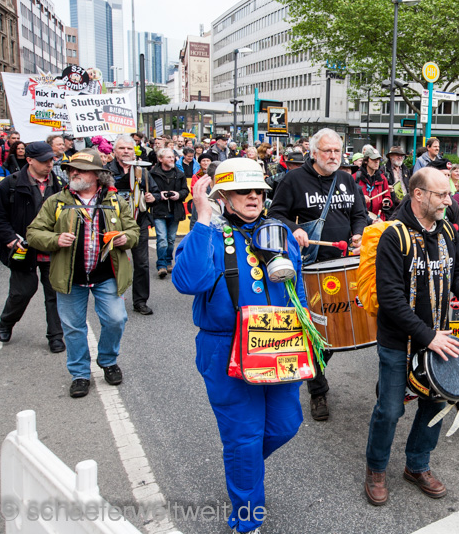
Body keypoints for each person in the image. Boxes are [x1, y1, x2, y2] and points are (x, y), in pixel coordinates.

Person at [172, 158, 308, 534]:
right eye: (242, 190)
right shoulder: (208, 234)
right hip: (225, 348)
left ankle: (242, 464)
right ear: (222, 196)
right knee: (245, 438)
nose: (253, 196)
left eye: (258, 190)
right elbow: (188, 282)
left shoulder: (278, 231)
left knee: (285, 424)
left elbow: (296, 287)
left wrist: (306, 332)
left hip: (280, 342)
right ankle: (247, 519)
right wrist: (202, 218)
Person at [364, 167, 459, 506]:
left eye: (449, 193)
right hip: (398, 342)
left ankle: (417, 464)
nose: (450, 201)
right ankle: (376, 468)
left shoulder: (446, 229)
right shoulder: (394, 235)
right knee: (390, 409)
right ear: (418, 194)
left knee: (436, 402)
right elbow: (390, 299)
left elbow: (457, 271)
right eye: (442, 194)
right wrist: (428, 336)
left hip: (437, 337)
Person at [268, 128, 367, 421]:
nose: (334, 156)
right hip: (309, 268)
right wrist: (294, 228)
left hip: (342, 265)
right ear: (313, 153)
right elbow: (275, 214)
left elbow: (358, 214)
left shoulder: (346, 180)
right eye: (327, 151)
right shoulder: (294, 180)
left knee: (334, 331)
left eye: (337, 151)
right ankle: (318, 390)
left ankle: (313, 372)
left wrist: (358, 233)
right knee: (316, 331)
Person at [26, 149, 139, 398]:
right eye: (71, 169)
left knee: (116, 319)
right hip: (70, 278)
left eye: (81, 170)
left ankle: (108, 360)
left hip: (107, 275)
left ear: (97, 175)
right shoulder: (56, 201)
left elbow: (134, 231)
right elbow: (33, 233)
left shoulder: (115, 201)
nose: (73, 173)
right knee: (73, 328)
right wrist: (55, 239)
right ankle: (80, 374)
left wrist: (125, 238)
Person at [0, 142, 65, 352]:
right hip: (22, 248)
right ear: (29, 160)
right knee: (22, 292)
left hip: (51, 247)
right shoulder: (9, 184)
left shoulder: (60, 184)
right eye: (44, 160)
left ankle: (55, 336)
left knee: (54, 294)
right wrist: (10, 238)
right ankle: (6, 323)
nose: (49, 164)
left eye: (51, 159)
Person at [107, 135, 159, 316]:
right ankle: (112, 298)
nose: (126, 151)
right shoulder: (107, 171)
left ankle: (140, 301)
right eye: (122, 148)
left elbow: (155, 192)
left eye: (129, 148)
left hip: (138, 222)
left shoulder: (142, 171)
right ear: (115, 151)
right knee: (112, 262)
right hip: (113, 223)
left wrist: (152, 198)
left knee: (142, 263)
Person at [149, 148, 188, 279]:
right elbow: (148, 192)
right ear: (160, 159)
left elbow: (185, 191)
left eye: (173, 157)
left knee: (171, 240)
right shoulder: (152, 174)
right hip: (159, 210)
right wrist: (159, 195)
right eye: (169, 157)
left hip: (175, 210)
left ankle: (168, 261)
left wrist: (178, 194)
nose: (172, 159)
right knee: (162, 239)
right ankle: (161, 265)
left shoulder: (179, 174)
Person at [428, 158, 459, 245]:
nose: (446, 178)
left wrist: (456, 250)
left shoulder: (452, 203)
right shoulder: (415, 198)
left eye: (448, 175)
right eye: (443, 175)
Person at [355, 147, 395, 220]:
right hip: (361, 218)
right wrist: (361, 198)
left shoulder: (382, 178)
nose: (377, 161)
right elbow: (349, 198)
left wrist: (387, 201)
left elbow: (387, 196)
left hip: (378, 218)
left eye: (378, 159)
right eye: (373, 159)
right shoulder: (355, 177)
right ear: (366, 161)